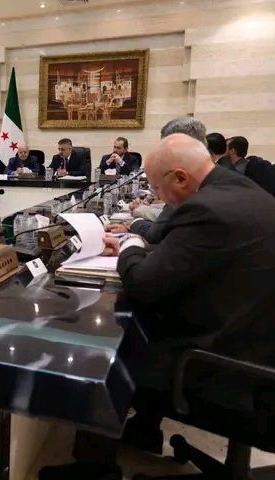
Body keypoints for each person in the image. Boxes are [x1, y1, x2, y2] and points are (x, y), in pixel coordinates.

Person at [42, 133, 275, 479]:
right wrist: (144, 251)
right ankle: (144, 431)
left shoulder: (206, 209)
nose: (158, 197)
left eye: (157, 188)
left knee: (105, 350)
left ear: (180, 177)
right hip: (258, 346)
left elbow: (143, 285)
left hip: (232, 373)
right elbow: (195, 254)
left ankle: (94, 469)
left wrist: (131, 244)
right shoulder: (240, 190)